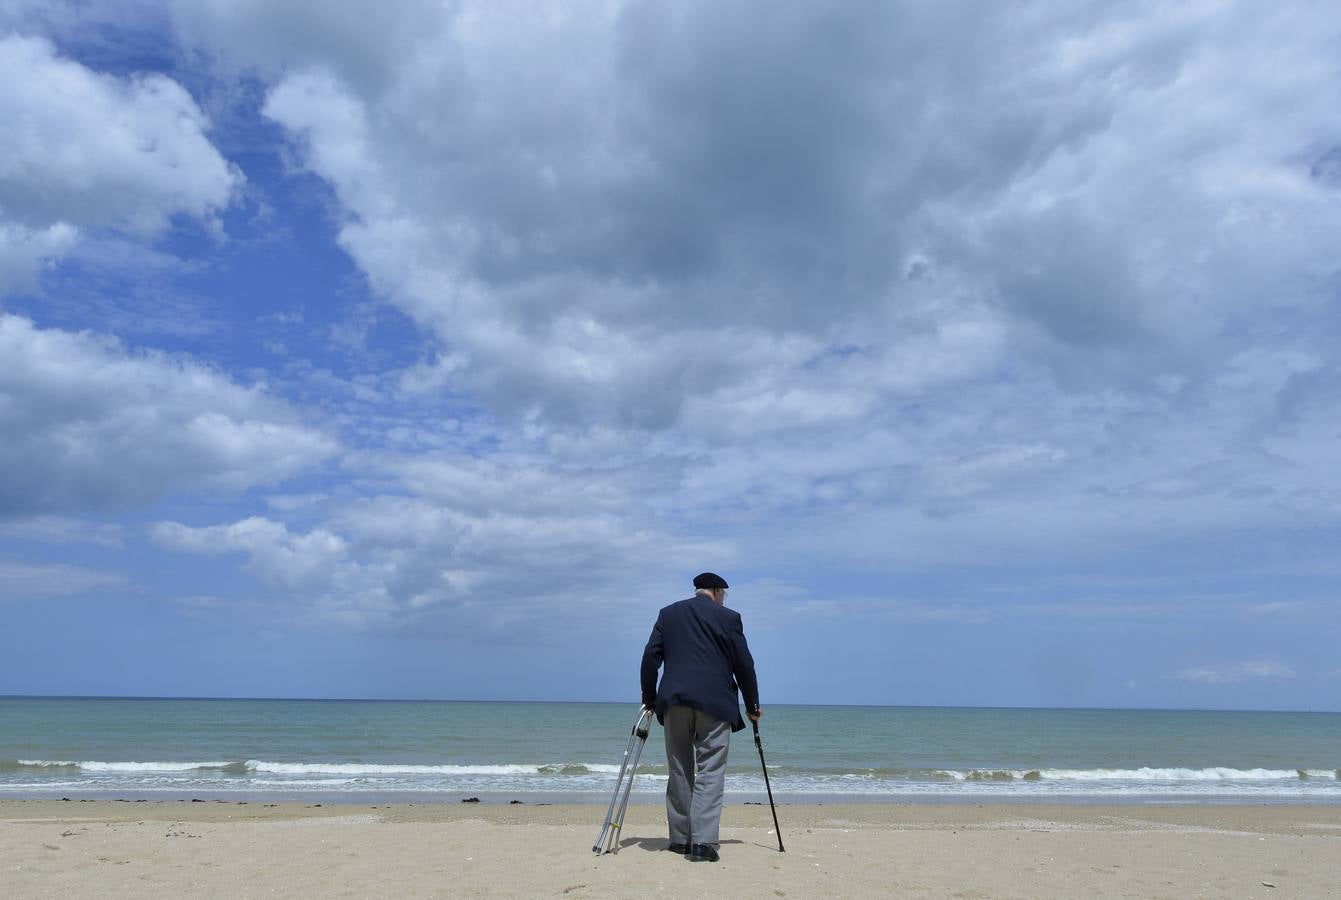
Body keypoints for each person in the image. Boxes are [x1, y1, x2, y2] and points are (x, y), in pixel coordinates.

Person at [640, 572, 761, 862]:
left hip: (674, 701)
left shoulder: (668, 614)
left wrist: (650, 699)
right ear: (717, 591)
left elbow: (649, 657)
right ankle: (702, 843)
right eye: (724, 594)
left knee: (680, 768)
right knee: (710, 769)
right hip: (715, 703)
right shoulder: (729, 618)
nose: (724, 599)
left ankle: (680, 840)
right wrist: (752, 704)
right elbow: (744, 664)